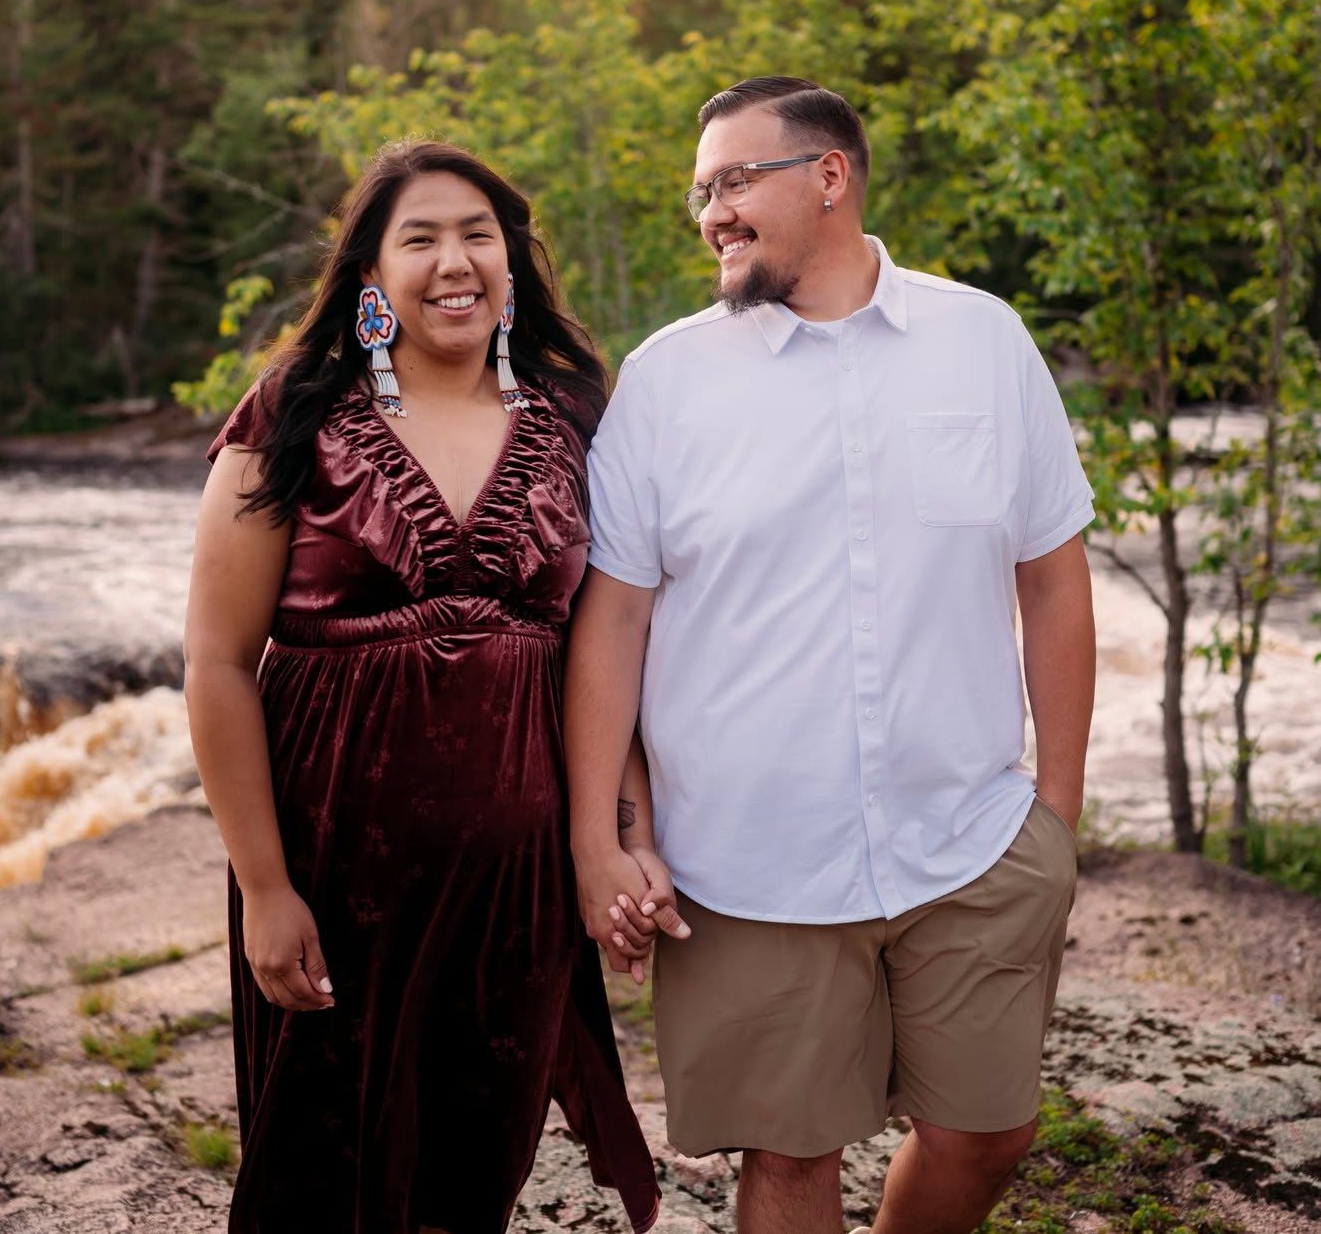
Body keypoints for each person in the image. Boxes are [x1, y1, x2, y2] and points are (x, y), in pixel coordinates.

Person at [565, 77, 1097, 1234]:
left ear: (828, 175)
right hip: (748, 864)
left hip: (967, 840)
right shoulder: (667, 380)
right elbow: (611, 617)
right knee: (790, 1157)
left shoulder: (983, 340)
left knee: (987, 1132)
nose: (708, 211)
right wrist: (597, 833)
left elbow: (1052, 576)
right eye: (698, 191)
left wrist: (1052, 811)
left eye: (732, 181)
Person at [184, 139, 659, 1234]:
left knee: (468, 1180)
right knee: (323, 1180)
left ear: (512, 262)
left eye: (478, 234)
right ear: (369, 278)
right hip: (332, 869)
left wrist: (620, 837)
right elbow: (215, 664)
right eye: (421, 237)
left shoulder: (578, 418)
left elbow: (615, 651)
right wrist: (265, 884)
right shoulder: (293, 415)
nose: (455, 260)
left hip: (518, 884)